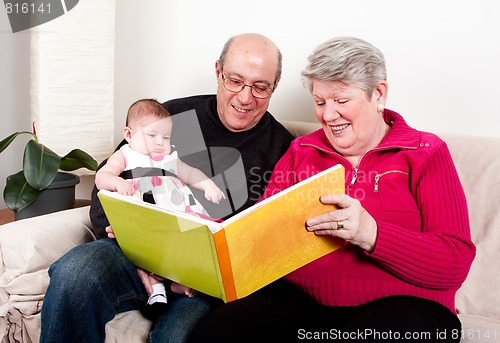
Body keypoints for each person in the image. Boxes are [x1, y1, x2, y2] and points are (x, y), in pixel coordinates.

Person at [187, 36, 476, 343]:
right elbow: (261, 235)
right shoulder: (301, 151)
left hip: (408, 309)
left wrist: (372, 233)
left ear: (378, 94)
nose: (327, 115)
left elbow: (455, 261)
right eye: (320, 102)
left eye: (341, 101)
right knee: (216, 331)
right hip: (305, 306)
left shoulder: (424, 152)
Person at [40, 33, 295, 343]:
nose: (244, 97)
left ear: (274, 87)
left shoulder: (285, 150)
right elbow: (105, 186)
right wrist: (138, 257)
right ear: (218, 71)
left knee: (178, 335)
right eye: (235, 81)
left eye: (260, 87)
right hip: (134, 253)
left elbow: (274, 243)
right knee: (74, 273)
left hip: (203, 285)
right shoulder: (169, 117)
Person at [95, 98, 225, 311]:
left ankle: (181, 282)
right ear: (129, 135)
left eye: (165, 137)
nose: (159, 142)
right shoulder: (126, 155)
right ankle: (156, 292)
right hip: (146, 218)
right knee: (147, 255)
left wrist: (208, 186)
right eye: (152, 135)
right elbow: (102, 177)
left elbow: (190, 173)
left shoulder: (170, 158)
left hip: (176, 218)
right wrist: (117, 183)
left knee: (191, 245)